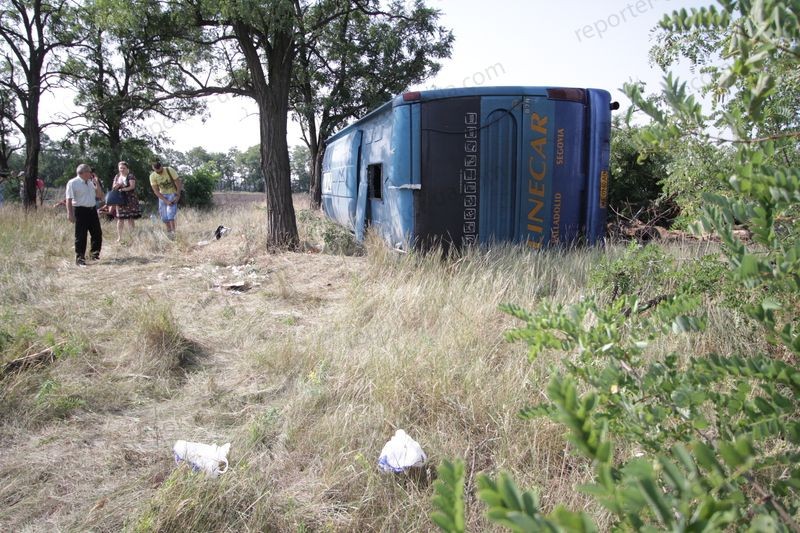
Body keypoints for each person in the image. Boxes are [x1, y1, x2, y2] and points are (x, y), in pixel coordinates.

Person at [66, 163, 104, 266]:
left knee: (97, 233)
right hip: (80, 210)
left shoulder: (91, 182)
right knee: (81, 235)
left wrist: (97, 183)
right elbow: (68, 199)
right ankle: (80, 258)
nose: (91, 174)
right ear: (83, 173)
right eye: (89, 172)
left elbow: (100, 196)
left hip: (92, 210)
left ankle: (94, 255)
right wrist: (70, 213)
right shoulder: (73, 183)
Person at [109, 161, 141, 242]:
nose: (122, 170)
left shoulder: (130, 176)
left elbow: (132, 187)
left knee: (130, 218)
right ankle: (119, 237)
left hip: (130, 200)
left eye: (124, 168)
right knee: (120, 218)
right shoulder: (117, 176)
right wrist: (117, 185)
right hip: (120, 200)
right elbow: (113, 187)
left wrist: (122, 188)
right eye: (120, 168)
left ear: (127, 168)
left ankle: (132, 236)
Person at [149, 160, 182, 236]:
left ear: (161, 166)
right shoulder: (152, 176)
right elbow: (156, 191)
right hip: (162, 195)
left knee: (170, 215)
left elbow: (178, 183)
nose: (159, 172)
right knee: (164, 217)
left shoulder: (169, 170)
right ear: (153, 169)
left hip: (172, 194)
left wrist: (178, 195)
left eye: (160, 170)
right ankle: (169, 232)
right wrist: (165, 200)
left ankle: (174, 233)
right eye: (157, 171)